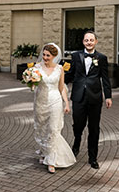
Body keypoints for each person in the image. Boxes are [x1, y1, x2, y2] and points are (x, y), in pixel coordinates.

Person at [65, 31, 112, 169]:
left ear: (96, 41)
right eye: (86, 40)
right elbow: (70, 74)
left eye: (91, 40)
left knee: (94, 128)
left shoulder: (102, 58)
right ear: (83, 42)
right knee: (78, 125)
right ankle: (76, 144)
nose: (89, 42)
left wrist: (108, 96)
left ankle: (93, 158)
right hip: (78, 96)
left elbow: (105, 78)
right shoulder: (75, 56)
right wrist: (58, 83)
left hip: (95, 98)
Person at [33, 43, 76, 174]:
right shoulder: (36, 68)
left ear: (54, 56)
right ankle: (44, 151)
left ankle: (51, 161)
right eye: (44, 55)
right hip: (41, 100)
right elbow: (33, 86)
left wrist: (66, 103)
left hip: (55, 100)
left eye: (48, 56)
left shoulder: (59, 69)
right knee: (41, 128)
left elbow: (61, 87)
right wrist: (30, 82)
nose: (45, 58)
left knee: (53, 128)